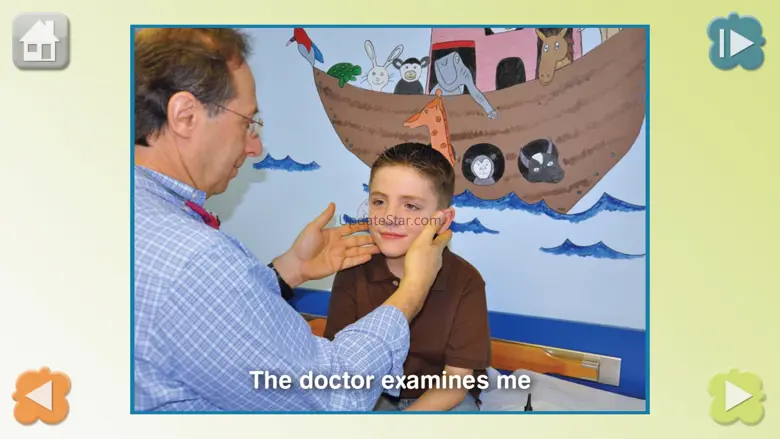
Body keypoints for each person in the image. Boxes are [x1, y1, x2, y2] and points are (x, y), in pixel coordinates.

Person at [133, 28, 452, 412]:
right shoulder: (194, 260)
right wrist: (415, 287)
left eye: (411, 206)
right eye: (247, 123)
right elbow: (335, 395)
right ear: (185, 116)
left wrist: (290, 270)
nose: (255, 147)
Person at [323, 143, 492, 411]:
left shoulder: (465, 280)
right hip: (375, 394)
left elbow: (456, 383)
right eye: (379, 202)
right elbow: (340, 366)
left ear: (442, 220)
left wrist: (401, 426)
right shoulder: (353, 270)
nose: (390, 217)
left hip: (442, 398)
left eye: (411, 206)